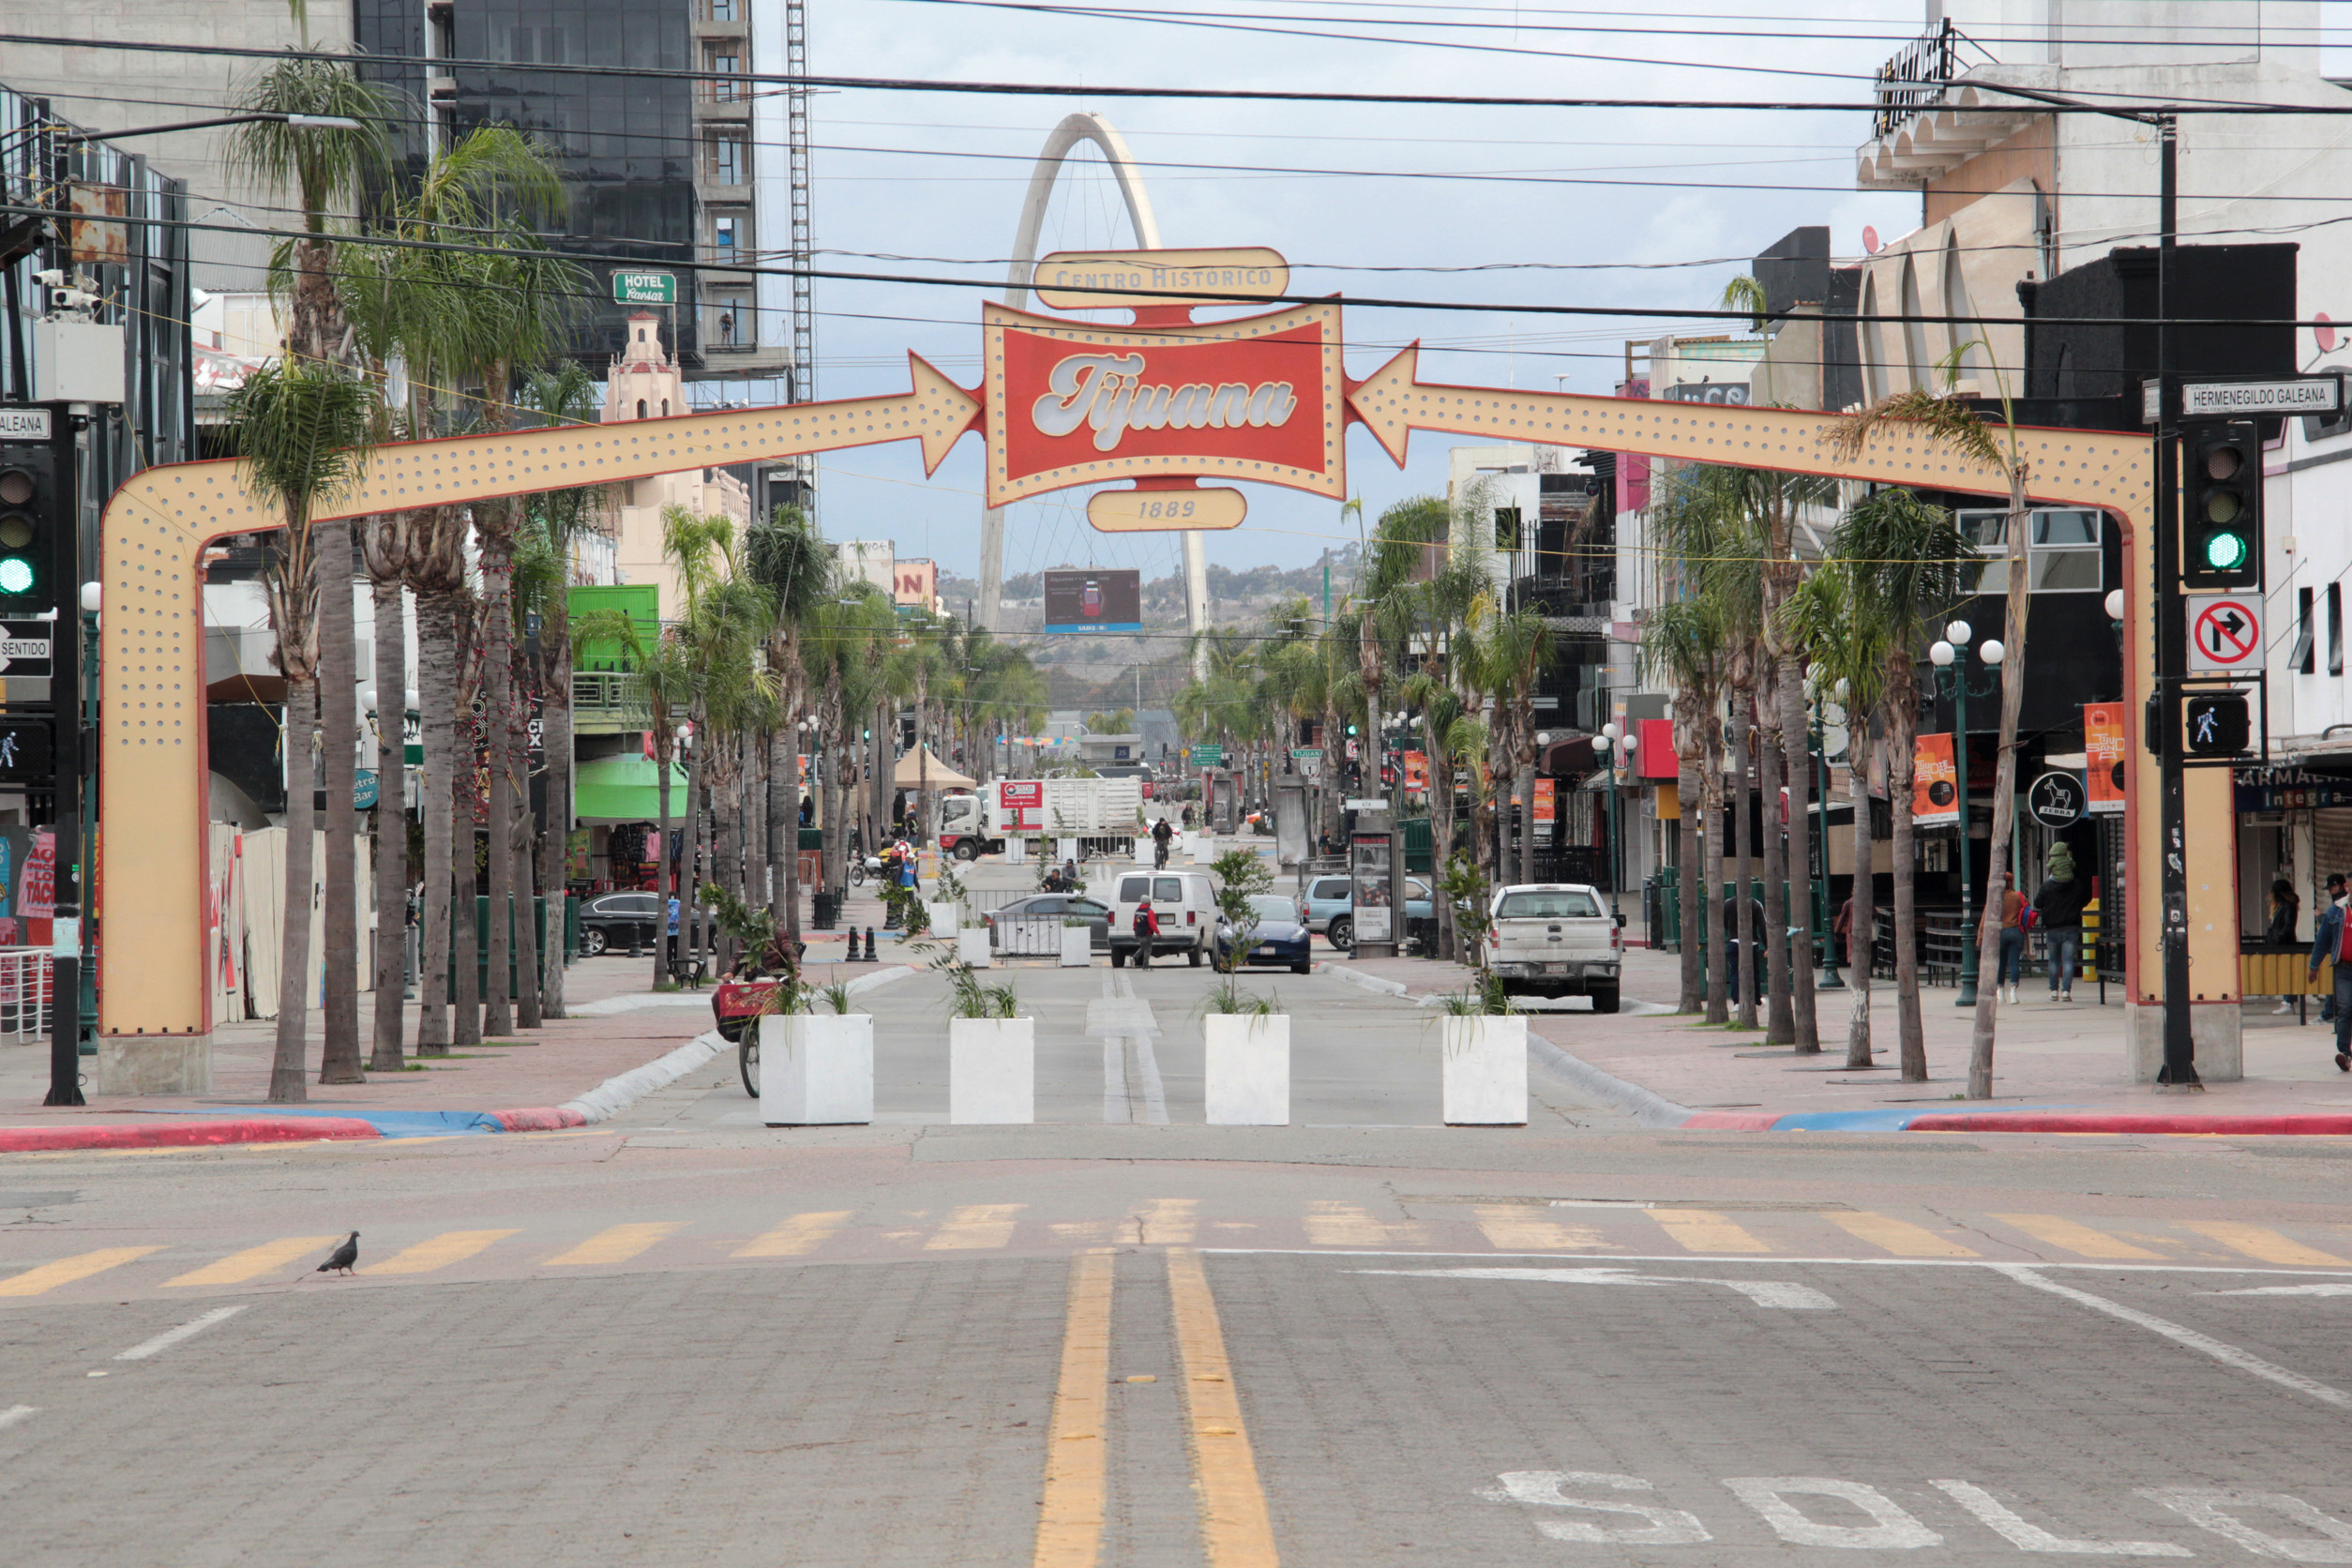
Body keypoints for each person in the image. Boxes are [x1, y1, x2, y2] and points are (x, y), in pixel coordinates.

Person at [2030, 842, 2091, 1003]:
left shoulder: (2047, 886)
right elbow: (2085, 899)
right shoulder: (2077, 885)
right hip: (2071, 926)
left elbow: (2037, 903)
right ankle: (2066, 992)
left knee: (2054, 960)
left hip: (2052, 928)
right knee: (2068, 960)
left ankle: (2053, 991)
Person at [2267, 878, 2303, 1015]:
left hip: (2285, 944)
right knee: (2284, 973)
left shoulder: (2288, 906)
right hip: (2282, 943)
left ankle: (2288, 1002)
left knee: (2287, 973)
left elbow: (2288, 926)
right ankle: (2287, 1001)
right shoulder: (2283, 906)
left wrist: (2278, 938)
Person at [1995, 869, 2027, 1005]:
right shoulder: (2018, 896)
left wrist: (1980, 937)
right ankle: (2013, 992)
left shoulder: (1995, 898)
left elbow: (1986, 916)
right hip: (2016, 931)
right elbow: (2028, 909)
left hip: (2000, 932)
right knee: (2014, 962)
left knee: (2001, 962)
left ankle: (2000, 991)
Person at [1132, 897, 1160, 969]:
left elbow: (1135, 923)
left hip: (1139, 933)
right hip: (1147, 933)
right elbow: (1152, 924)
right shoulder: (1149, 911)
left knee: (1143, 947)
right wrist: (1157, 932)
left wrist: (1135, 932)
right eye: (1150, 901)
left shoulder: (1137, 911)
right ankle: (1145, 966)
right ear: (1148, 902)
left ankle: (1134, 958)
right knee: (1148, 949)